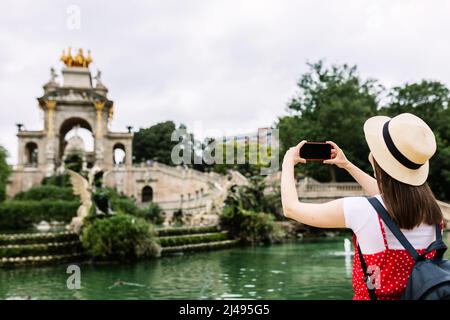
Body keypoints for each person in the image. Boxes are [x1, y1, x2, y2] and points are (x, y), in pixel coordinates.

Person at [281, 113, 444, 300]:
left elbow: (291, 208)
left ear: (376, 159)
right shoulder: (434, 214)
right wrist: (347, 165)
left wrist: (288, 162)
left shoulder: (362, 211)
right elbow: (388, 196)